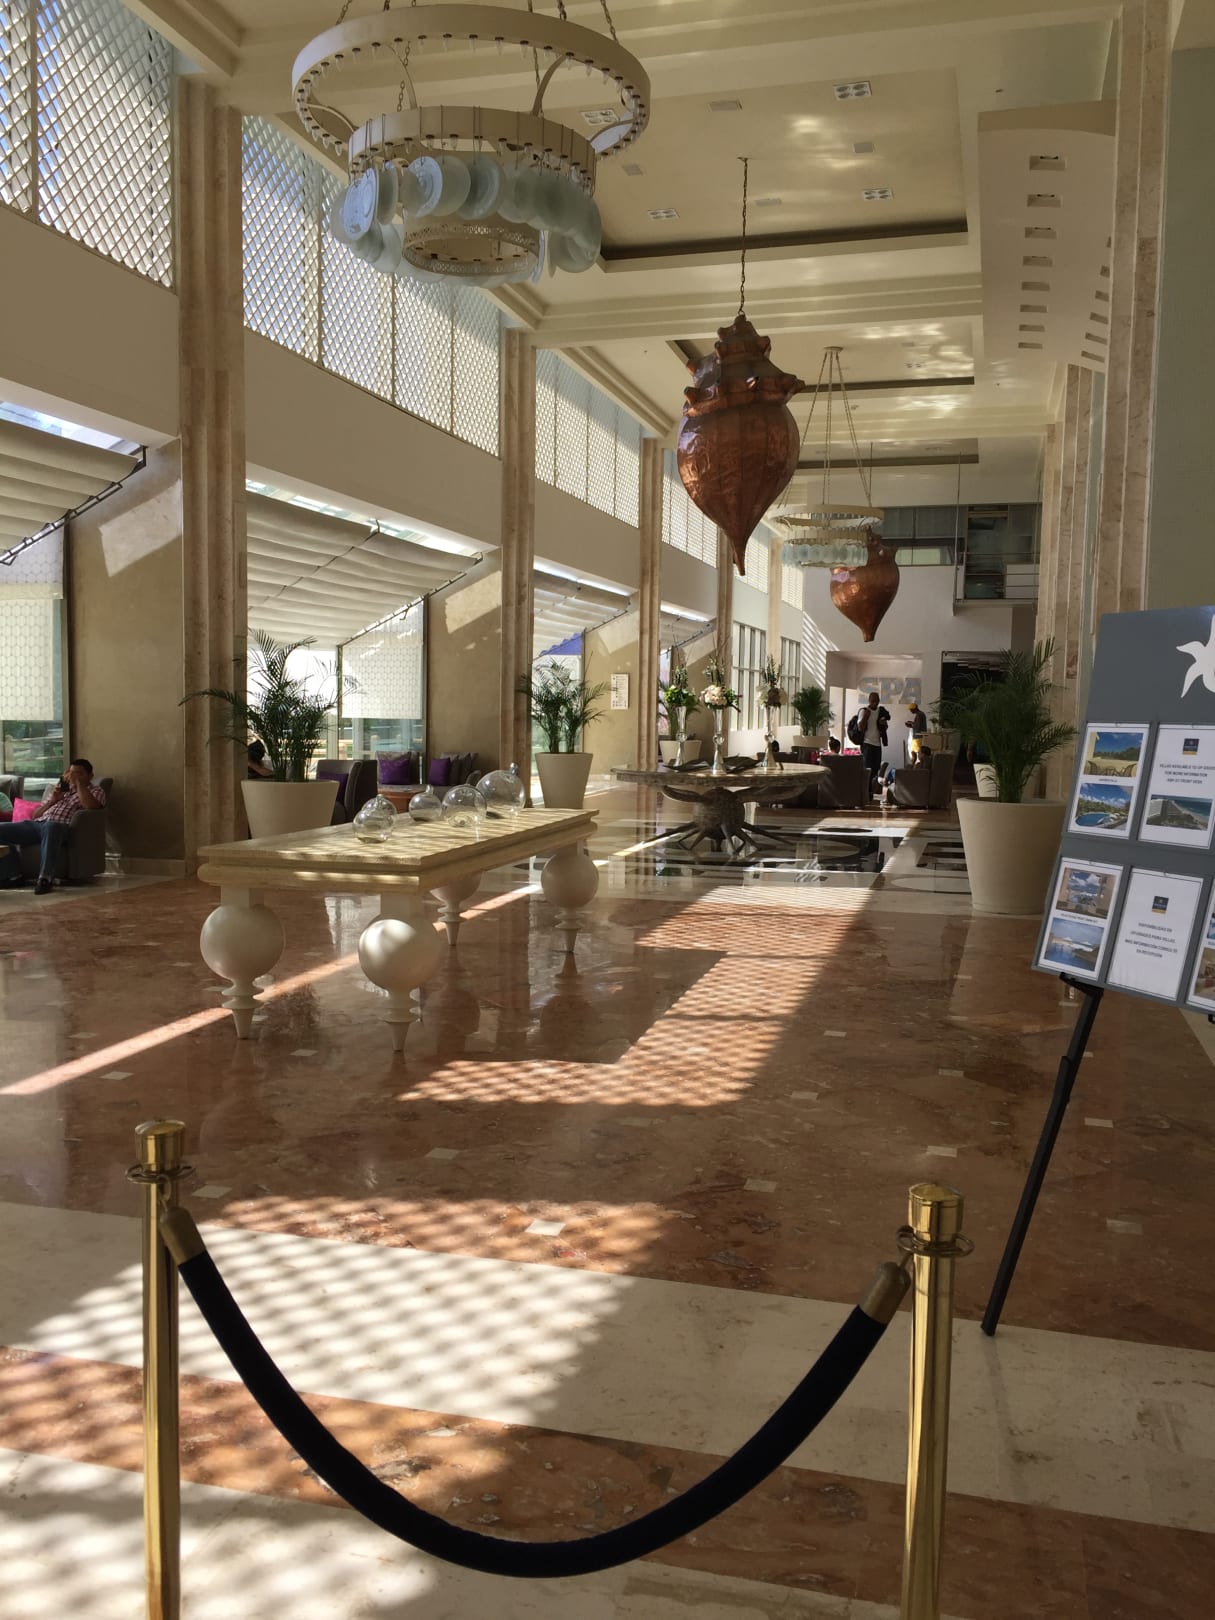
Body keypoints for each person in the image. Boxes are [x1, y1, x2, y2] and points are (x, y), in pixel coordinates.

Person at [0, 759, 106, 895]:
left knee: (51, 826)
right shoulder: (61, 790)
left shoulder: (96, 790)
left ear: (90, 776)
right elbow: (35, 815)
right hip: (38, 825)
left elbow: (91, 806)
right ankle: (13, 875)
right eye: (71, 773)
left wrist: (79, 784)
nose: (73, 776)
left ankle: (45, 878)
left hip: (62, 828)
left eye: (79, 773)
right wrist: (52, 801)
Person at [854, 692, 889, 794]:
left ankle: (869, 791)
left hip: (877, 744)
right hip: (867, 744)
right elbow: (860, 728)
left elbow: (885, 726)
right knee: (868, 769)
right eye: (872, 701)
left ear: (879, 701)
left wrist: (883, 724)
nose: (874, 703)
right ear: (869, 700)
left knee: (876, 769)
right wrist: (866, 716)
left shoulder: (880, 711)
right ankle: (867, 792)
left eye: (876, 701)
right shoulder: (864, 711)